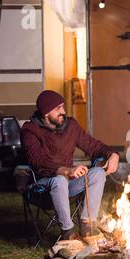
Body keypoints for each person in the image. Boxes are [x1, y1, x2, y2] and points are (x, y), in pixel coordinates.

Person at [21, 90, 119, 240]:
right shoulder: (30, 130)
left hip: (70, 186)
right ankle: (67, 233)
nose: (64, 111)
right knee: (59, 180)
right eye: (58, 108)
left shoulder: (70, 126)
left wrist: (113, 155)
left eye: (62, 107)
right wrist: (66, 170)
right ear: (46, 112)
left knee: (98, 173)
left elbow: (92, 145)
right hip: (42, 186)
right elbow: (37, 159)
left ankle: (87, 227)